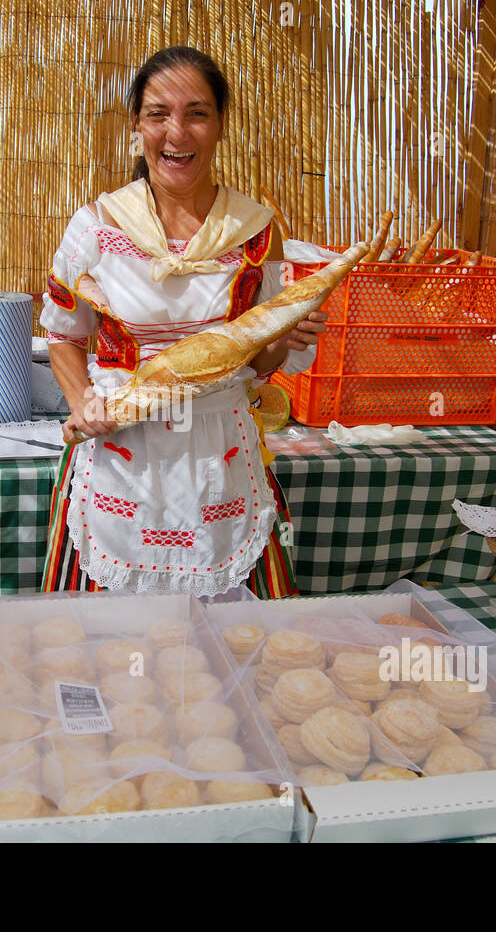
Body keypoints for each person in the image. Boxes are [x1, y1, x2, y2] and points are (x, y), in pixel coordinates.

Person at [39, 46, 326, 598]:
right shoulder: (96, 227)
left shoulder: (254, 233)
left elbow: (257, 361)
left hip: (218, 451)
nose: (177, 132)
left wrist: (282, 340)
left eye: (197, 113)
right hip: (125, 453)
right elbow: (63, 335)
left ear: (220, 125)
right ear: (137, 126)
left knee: (230, 651)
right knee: (108, 654)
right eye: (157, 114)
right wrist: (84, 404)